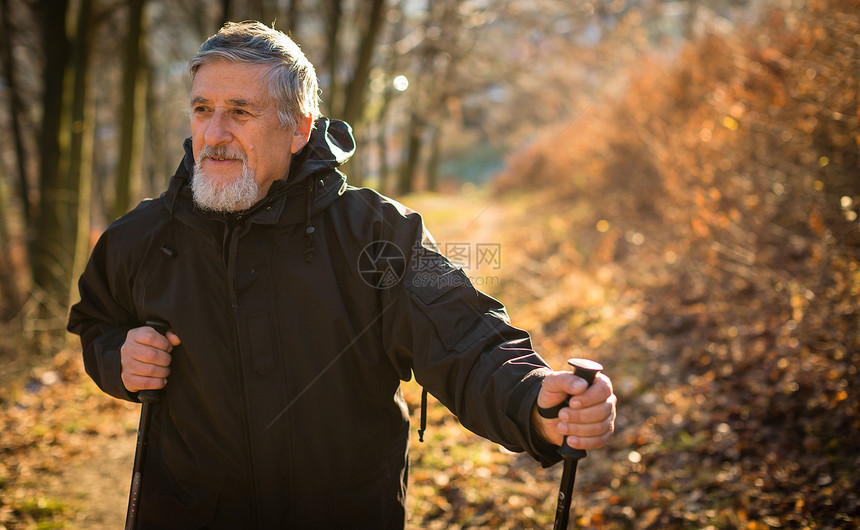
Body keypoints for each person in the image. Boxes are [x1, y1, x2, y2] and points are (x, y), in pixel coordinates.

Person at [67, 21, 616, 529]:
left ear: (299, 128)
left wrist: (534, 399)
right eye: (202, 109)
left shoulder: (380, 234)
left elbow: (465, 338)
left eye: (240, 112)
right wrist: (118, 356)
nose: (213, 133)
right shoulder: (142, 236)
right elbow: (96, 320)